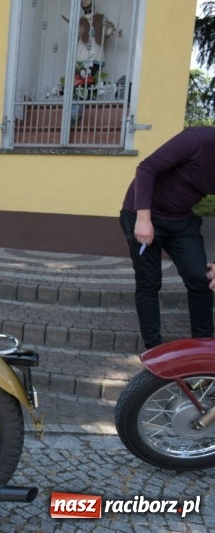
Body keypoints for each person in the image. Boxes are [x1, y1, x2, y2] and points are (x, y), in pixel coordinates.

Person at [120, 126, 215, 349]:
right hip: (143, 214)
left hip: (181, 220)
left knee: (201, 278)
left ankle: (204, 349)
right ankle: (154, 350)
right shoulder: (198, 139)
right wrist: (143, 219)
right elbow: (147, 168)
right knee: (149, 283)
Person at [76, 0, 118, 79]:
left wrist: (114, 32)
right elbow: (76, 34)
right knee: (81, 73)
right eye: (83, 0)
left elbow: (106, 28)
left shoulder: (100, 17)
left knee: (93, 73)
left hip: (95, 48)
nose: (85, 2)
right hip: (83, 48)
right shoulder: (80, 20)